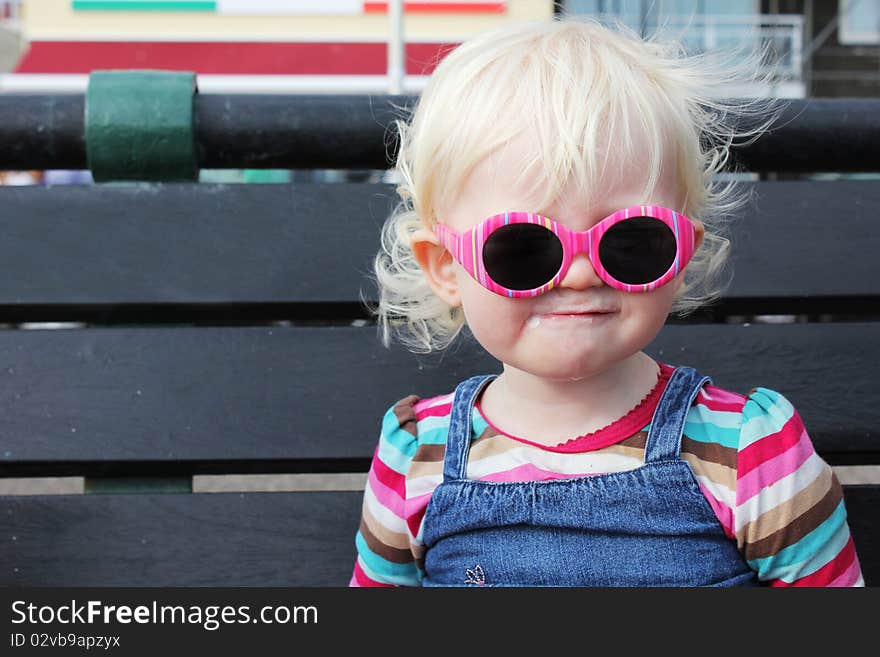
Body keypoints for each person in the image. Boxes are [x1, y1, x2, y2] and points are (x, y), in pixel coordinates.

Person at [349, 17, 863, 587]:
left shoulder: (750, 452)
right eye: (522, 248)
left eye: (631, 241)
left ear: (684, 251)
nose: (579, 274)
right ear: (447, 267)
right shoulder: (418, 453)